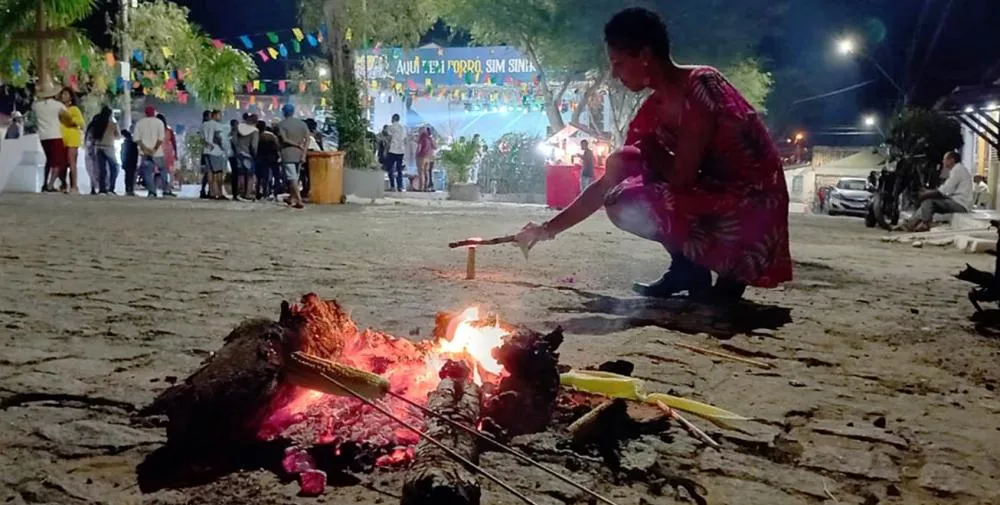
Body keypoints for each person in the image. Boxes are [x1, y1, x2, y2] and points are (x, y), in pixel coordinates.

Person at [516, 7, 792, 304]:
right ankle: (687, 269)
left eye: (619, 63)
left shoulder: (700, 86)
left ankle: (732, 272)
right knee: (620, 165)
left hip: (752, 203)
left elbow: (683, 179)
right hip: (712, 190)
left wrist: (651, 149)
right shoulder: (653, 111)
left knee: (629, 198)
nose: (614, 74)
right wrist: (546, 229)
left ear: (645, 55)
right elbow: (606, 183)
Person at [901, 151, 973, 232]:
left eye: (945, 159)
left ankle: (925, 224)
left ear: (952, 160)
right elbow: (946, 190)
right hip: (956, 201)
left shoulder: (958, 170)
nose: (943, 161)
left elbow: (944, 190)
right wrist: (928, 192)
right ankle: (911, 223)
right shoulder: (957, 170)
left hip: (960, 204)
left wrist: (927, 193)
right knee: (927, 204)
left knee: (928, 200)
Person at [32, 84, 70, 193]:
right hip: (55, 135)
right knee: (58, 162)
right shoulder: (58, 105)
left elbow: (33, 106)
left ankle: (45, 184)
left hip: (43, 137)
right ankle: (50, 185)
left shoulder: (36, 105)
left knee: (49, 161)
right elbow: (68, 116)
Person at [277, 103, 310, 209]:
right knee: (296, 176)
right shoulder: (302, 124)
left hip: (287, 154)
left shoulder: (281, 124)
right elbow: (307, 139)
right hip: (299, 154)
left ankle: (299, 200)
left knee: (292, 178)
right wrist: (304, 152)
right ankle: (292, 197)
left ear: (284, 112)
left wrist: (296, 145)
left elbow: (284, 139)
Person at [133, 105, 166, 198]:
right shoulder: (159, 122)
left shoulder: (140, 123)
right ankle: (166, 190)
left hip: (145, 153)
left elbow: (137, 139)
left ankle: (152, 191)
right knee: (162, 170)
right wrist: (154, 149)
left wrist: (145, 149)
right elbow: (160, 139)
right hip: (158, 153)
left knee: (147, 173)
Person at [58, 87, 85, 193]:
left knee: (72, 162)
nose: (63, 96)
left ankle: (74, 185)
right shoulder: (59, 109)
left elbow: (82, 124)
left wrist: (71, 119)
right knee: (61, 163)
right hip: (61, 138)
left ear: (70, 97)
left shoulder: (74, 109)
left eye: (66, 94)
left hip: (72, 138)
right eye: (62, 94)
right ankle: (63, 184)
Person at [89, 106, 120, 195]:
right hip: (109, 148)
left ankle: (102, 189)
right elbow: (118, 136)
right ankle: (111, 188)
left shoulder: (97, 124)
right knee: (114, 168)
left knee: (102, 169)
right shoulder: (113, 124)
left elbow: (92, 137)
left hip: (98, 148)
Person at [202, 110, 228, 200]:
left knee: (210, 172)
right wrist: (223, 147)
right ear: (215, 115)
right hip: (216, 151)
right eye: (220, 115)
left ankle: (212, 192)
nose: (221, 117)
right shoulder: (217, 125)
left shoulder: (204, 124)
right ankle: (220, 193)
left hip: (206, 151)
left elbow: (202, 138)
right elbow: (218, 137)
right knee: (218, 173)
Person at [234, 113, 259, 200]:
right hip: (248, 154)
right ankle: (247, 194)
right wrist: (254, 155)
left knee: (240, 174)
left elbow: (234, 140)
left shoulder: (239, 127)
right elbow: (254, 146)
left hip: (238, 153)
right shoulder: (254, 131)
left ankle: (240, 192)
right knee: (250, 175)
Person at [255, 120, 280, 200]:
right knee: (276, 175)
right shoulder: (271, 135)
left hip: (262, 157)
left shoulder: (256, 136)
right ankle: (276, 192)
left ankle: (263, 193)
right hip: (273, 157)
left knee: (263, 176)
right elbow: (277, 146)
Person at [156, 114, 177, 197]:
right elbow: (174, 142)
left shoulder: (156, 130)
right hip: (169, 152)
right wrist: (175, 152)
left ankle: (162, 188)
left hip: (159, 151)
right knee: (170, 171)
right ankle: (168, 188)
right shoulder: (169, 130)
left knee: (160, 171)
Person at [385, 114, 406, 191]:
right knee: (399, 169)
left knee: (390, 168)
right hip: (401, 151)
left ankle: (392, 186)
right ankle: (400, 186)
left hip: (392, 150)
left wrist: (386, 149)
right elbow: (404, 139)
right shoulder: (403, 128)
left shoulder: (390, 127)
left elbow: (389, 138)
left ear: (393, 118)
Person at [416, 126, 436, 191]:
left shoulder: (422, 137)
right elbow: (434, 147)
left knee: (421, 172)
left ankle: (421, 187)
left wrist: (417, 154)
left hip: (421, 156)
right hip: (428, 157)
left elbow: (419, 146)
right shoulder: (430, 138)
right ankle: (426, 187)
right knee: (426, 172)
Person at [120, 130, 139, 196]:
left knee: (127, 176)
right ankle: (130, 190)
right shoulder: (134, 144)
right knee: (131, 177)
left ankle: (128, 189)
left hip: (127, 162)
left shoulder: (124, 144)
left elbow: (122, 154)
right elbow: (136, 154)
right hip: (132, 162)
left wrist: (123, 162)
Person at [199, 110, 211, 198]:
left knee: (208, 172)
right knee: (209, 172)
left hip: (206, 152)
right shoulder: (205, 126)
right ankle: (206, 190)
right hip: (208, 152)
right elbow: (203, 140)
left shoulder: (204, 125)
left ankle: (205, 190)